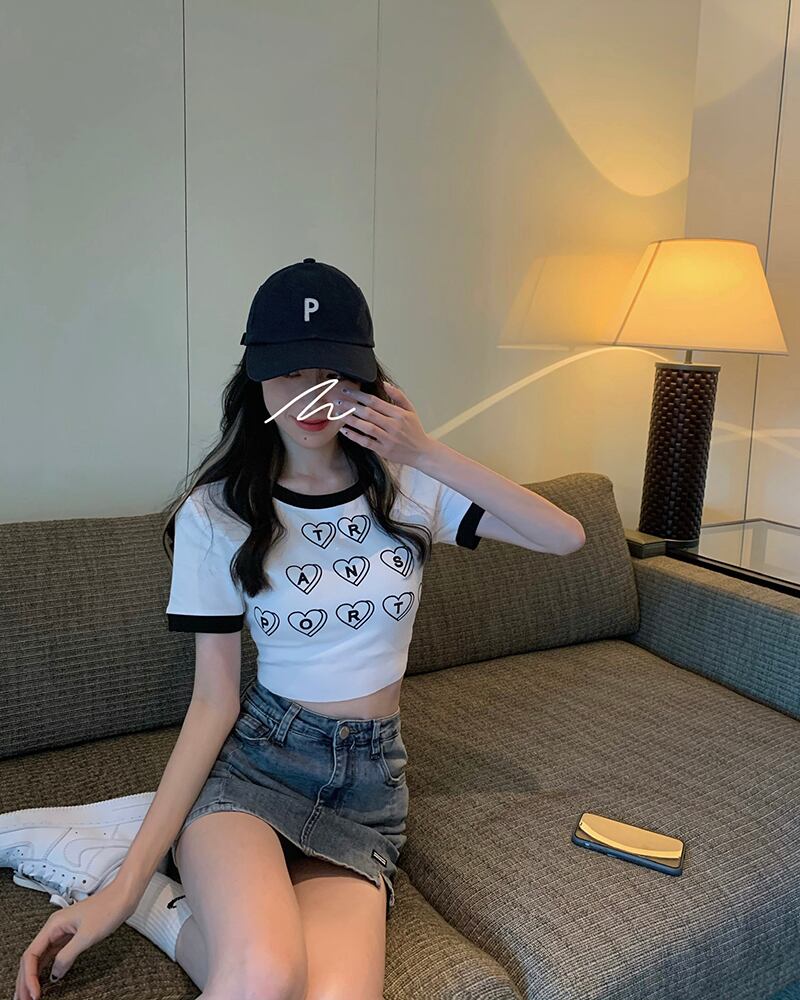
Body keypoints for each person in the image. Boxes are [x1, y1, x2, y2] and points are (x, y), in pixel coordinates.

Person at [5, 258, 585, 1000]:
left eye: (333, 374)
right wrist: (116, 893)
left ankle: (167, 910)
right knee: (265, 976)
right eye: (288, 373)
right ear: (255, 378)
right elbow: (213, 701)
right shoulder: (218, 513)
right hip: (257, 769)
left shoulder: (408, 486)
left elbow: (565, 537)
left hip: (367, 791)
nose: (312, 397)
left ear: (368, 381)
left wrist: (423, 450)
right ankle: (146, 884)